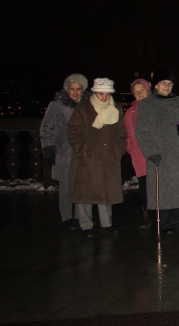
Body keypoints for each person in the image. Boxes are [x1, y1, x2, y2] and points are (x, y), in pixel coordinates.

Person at [136, 68, 179, 234]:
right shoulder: (147, 104)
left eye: (170, 83)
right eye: (163, 83)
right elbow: (141, 131)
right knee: (163, 190)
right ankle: (165, 224)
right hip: (160, 153)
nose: (167, 86)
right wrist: (150, 152)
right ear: (156, 85)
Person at [67, 78, 128, 237]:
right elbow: (73, 132)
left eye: (107, 94)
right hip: (88, 159)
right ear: (94, 92)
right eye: (101, 94)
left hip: (109, 158)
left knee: (106, 193)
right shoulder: (84, 107)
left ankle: (106, 224)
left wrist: (118, 151)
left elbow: (122, 133)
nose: (104, 97)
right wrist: (84, 151)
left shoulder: (116, 107)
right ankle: (86, 225)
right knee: (85, 194)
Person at [40, 73, 89, 230]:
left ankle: (79, 217)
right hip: (64, 152)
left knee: (81, 185)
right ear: (67, 89)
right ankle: (67, 218)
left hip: (83, 152)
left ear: (82, 90)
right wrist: (48, 148)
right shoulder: (56, 105)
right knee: (66, 188)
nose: (75, 92)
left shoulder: (88, 104)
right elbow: (46, 128)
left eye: (78, 89)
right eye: (72, 89)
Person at [125, 78, 152, 229]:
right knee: (144, 187)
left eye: (142, 90)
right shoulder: (131, 112)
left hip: (158, 153)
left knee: (161, 185)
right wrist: (131, 148)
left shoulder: (157, 107)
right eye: (136, 92)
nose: (139, 93)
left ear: (148, 90)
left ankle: (163, 216)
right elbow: (127, 134)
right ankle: (146, 215)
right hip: (140, 155)